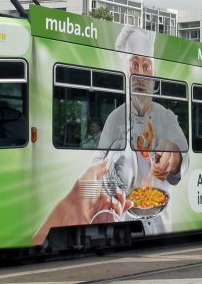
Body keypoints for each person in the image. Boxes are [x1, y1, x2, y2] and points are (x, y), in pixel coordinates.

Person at [34, 25, 189, 245]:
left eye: (146, 66)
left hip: (160, 222)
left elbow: (182, 151)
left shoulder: (166, 117)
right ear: (126, 72)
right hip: (122, 216)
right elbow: (97, 162)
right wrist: (101, 182)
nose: (140, 74)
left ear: (153, 74)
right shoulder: (115, 118)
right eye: (134, 65)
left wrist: (172, 157)